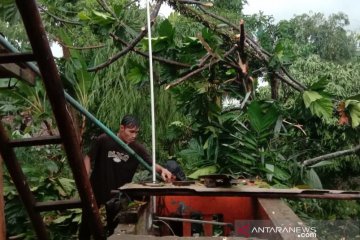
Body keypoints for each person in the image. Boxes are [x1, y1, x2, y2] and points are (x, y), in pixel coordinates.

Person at [79, 115, 173, 239]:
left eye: (136, 132)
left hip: (117, 193)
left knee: (115, 228)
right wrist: (85, 179)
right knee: (86, 224)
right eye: (131, 132)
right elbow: (88, 157)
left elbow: (151, 163)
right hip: (97, 187)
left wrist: (163, 170)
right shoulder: (104, 139)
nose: (134, 135)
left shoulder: (136, 148)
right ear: (122, 128)